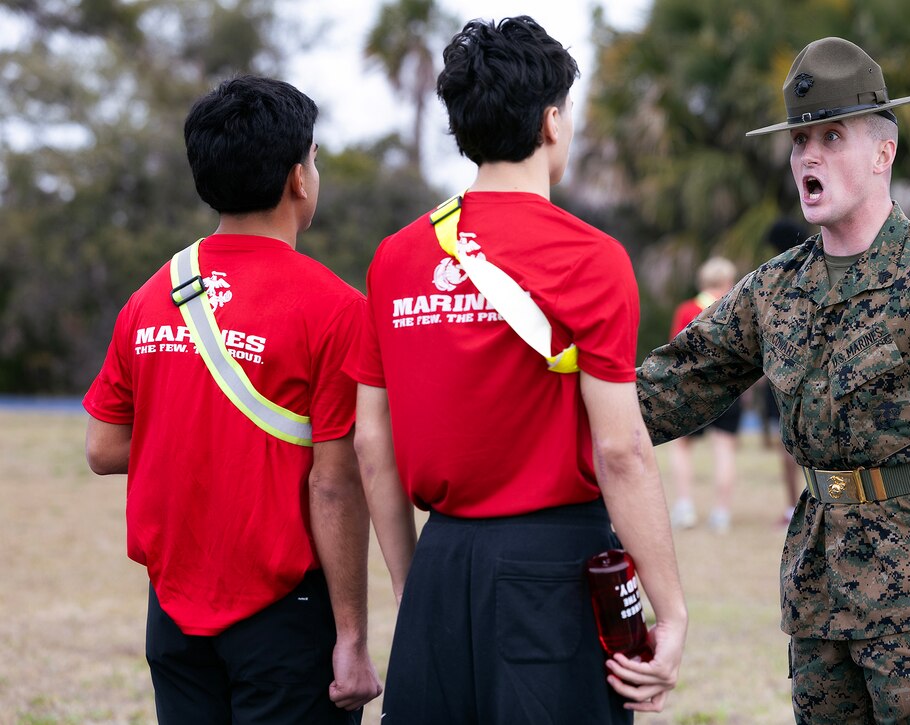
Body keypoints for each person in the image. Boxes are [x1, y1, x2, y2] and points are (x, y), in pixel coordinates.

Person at [636, 36, 910, 723]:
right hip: (820, 585)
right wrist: (551, 413)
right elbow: (674, 382)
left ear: (885, 152)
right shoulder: (774, 290)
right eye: (800, 141)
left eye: (831, 136)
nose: (808, 156)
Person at [347, 16, 687, 723]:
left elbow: (371, 446)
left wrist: (416, 592)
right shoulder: (590, 257)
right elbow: (621, 450)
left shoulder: (396, 257)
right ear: (552, 121)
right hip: (554, 569)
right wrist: (672, 609)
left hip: (440, 556)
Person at [83, 76, 381, 723]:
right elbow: (335, 485)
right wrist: (352, 635)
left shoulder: (150, 296)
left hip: (172, 613)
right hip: (285, 620)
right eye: (315, 156)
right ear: (297, 179)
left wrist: (199, 438)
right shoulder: (337, 310)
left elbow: (103, 447)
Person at [667, 257, 742, 532]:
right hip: (730, 388)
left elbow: (674, 351)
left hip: (692, 390)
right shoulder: (736, 309)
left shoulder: (687, 309)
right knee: (724, 450)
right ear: (725, 281)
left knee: (683, 448)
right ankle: (721, 513)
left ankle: (685, 506)